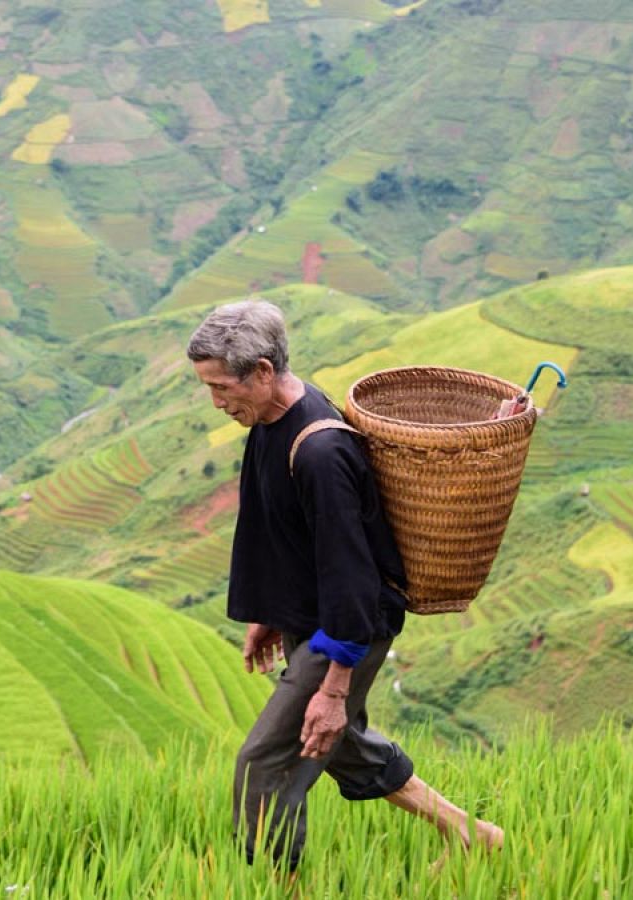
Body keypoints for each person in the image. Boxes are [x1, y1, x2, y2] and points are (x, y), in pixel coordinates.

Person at [186, 299, 503, 872]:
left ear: (261, 371)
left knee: (266, 762)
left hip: (346, 627)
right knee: (337, 746)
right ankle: (470, 834)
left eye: (220, 387)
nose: (216, 402)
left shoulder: (322, 452)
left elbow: (351, 576)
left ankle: (272, 885)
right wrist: (269, 609)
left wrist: (333, 689)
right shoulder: (267, 421)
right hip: (310, 618)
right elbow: (279, 529)